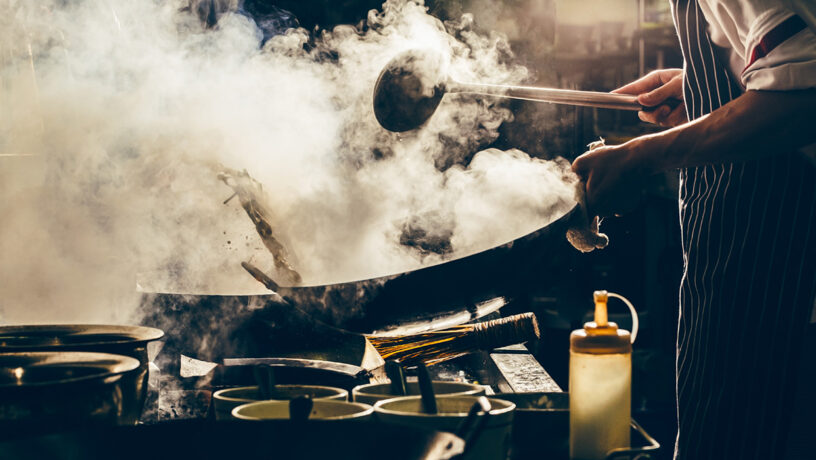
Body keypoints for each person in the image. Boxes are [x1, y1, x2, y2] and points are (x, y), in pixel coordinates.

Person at [571, 0, 816, 459]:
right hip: (744, 265)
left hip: (787, 285)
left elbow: (804, 96)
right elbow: (786, 60)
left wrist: (643, 156)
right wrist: (705, 89)